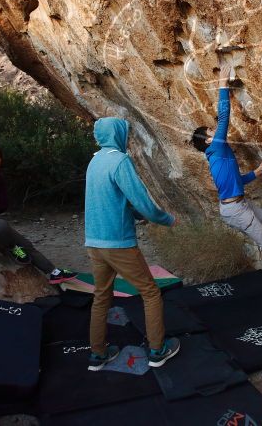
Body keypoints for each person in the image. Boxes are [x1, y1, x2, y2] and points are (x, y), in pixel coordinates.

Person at [191, 67, 262, 277]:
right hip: (235, 210)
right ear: (209, 140)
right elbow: (224, 118)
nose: (215, 130)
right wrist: (222, 84)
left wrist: (255, 173)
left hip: (238, 203)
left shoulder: (219, 152)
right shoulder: (216, 149)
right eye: (211, 131)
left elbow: (235, 180)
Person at [84, 117, 180, 371]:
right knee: (150, 292)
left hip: (94, 242)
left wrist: (138, 216)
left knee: (101, 296)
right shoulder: (119, 161)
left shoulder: (94, 162)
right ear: (117, 135)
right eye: (124, 134)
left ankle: (98, 354)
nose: (127, 138)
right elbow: (141, 201)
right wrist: (166, 219)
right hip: (118, 243)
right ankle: (158, 350)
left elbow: (113, 201)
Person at [0, 143, 77, 285]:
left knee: (26, 244)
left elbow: (3, 206)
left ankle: (53, 272)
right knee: (1, 225)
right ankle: (12, 249)